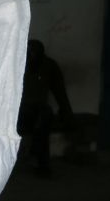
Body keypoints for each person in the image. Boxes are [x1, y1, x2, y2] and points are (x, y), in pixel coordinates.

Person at [18, 39, 76, 175]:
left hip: (37, 112)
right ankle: (36, 160)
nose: (32, 57)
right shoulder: (18, 63)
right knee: (41, 119)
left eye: (34, 53)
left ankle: (41, 164)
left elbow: (60, 92)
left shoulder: (49, 66)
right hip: (19, 111)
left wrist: (67, 115)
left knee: (44, 118)